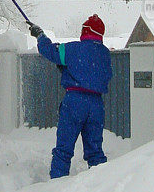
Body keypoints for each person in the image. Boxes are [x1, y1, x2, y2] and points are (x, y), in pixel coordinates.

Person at [29, 15, 113, 178]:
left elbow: (50, 51)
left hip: (75, 101)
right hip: (96, 105)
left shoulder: (73, 49)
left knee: (64, 149)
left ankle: (57, 183)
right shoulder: (105, 54)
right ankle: (103, 187)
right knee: (95, 151)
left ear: (85, 31)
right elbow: (102, 75)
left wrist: (40, 35)